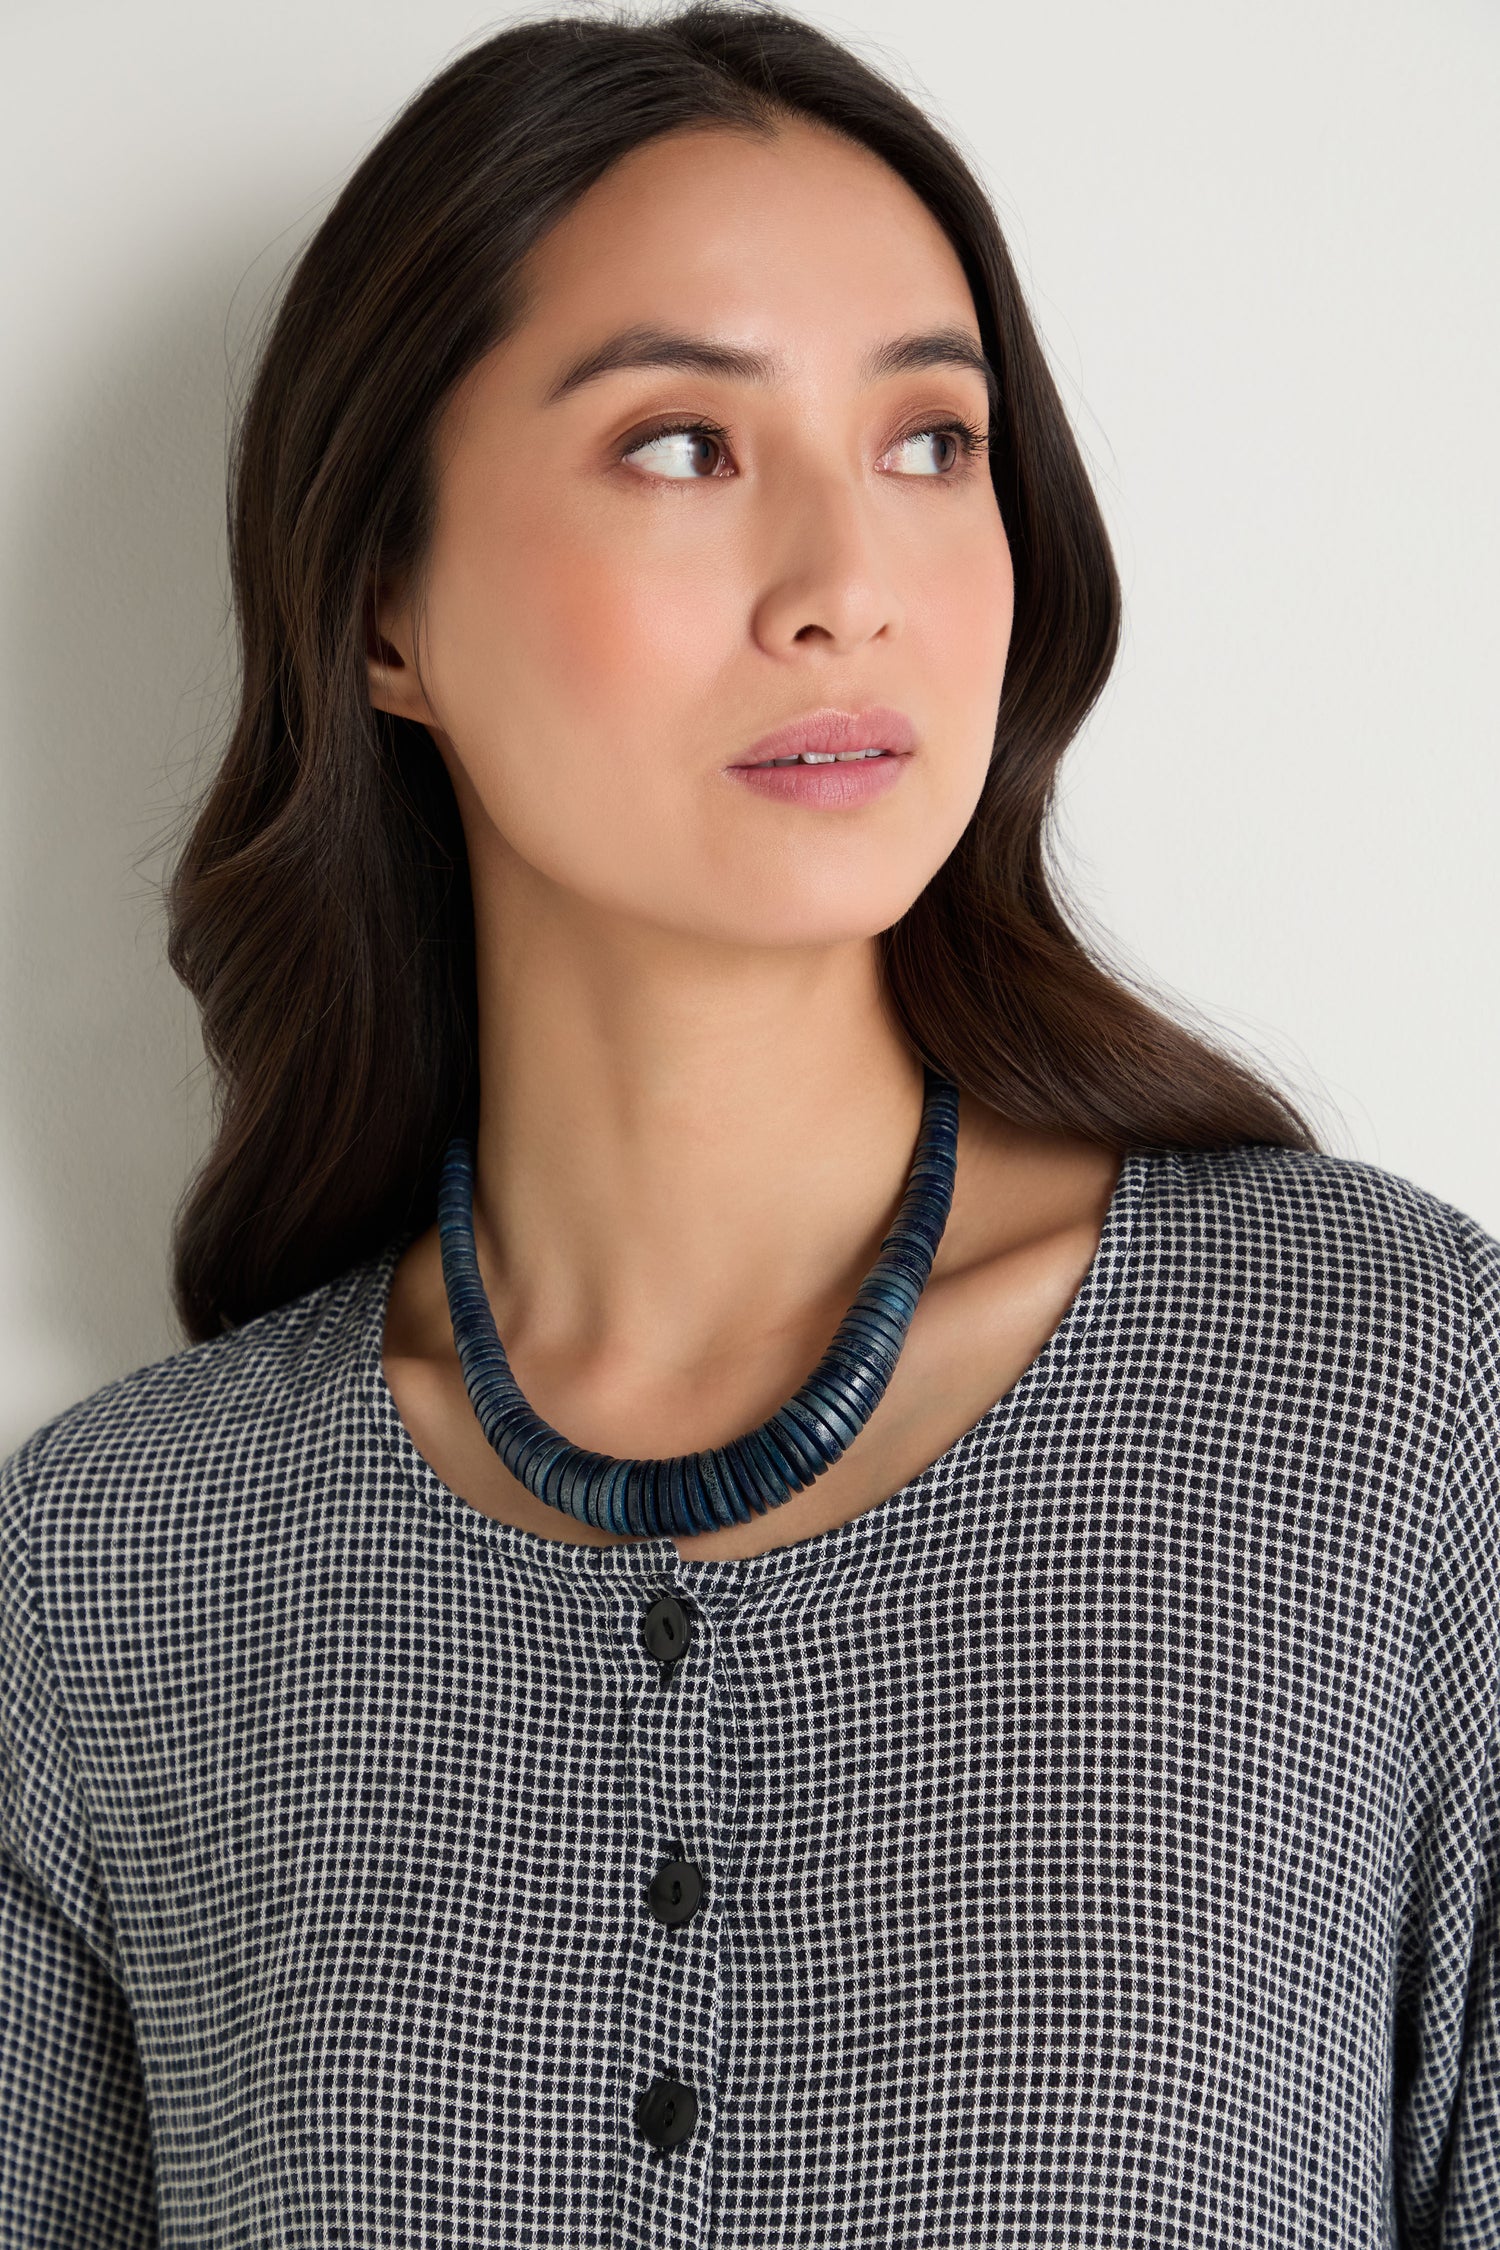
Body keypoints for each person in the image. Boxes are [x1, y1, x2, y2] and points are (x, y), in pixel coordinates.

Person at [2, 6, 1495, 2242]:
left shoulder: (1391, 1402)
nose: (846, 580)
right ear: (384, 600)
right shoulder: (115, 1575)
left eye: (932, 440)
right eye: (684, 445)